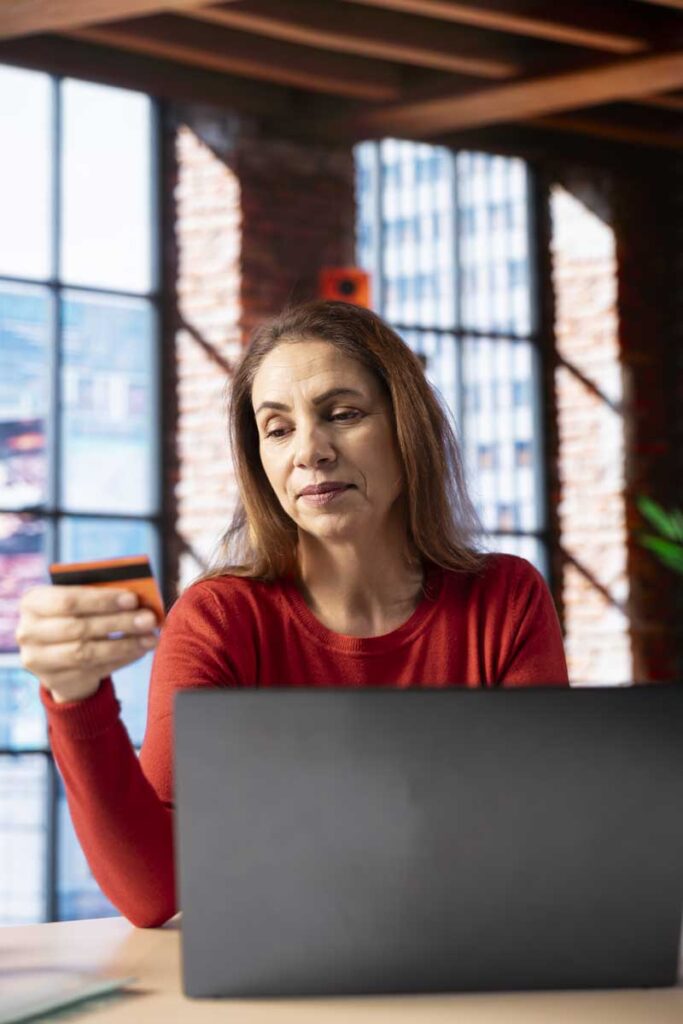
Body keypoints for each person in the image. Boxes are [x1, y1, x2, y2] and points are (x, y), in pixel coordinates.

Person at [16, 300, 569, 928]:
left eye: (343, 414)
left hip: (472, 957)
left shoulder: (505, 597)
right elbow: (153, 893)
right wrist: (74, 695)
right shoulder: (218, 619)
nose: (310, 451)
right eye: (277, 429)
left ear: (406, 429)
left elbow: (541, 839)